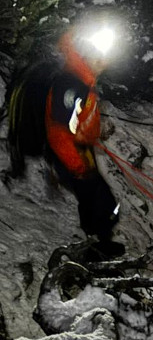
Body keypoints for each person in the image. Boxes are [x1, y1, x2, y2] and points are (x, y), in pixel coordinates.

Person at [45, 27, 124, 259]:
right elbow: (58, 131)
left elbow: (78, 120)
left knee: (99, 201)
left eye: (105, 60)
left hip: (79, 150)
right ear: (86, 55)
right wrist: (76, 166)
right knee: (100, 201)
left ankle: (98, 243)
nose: (103, 64)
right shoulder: (72, 82)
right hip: (70, 154)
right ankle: (95, 250)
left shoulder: (83, 79)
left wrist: (87, 138)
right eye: (98, 58)